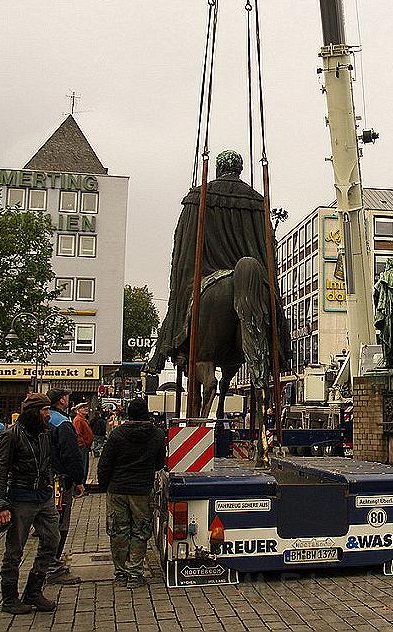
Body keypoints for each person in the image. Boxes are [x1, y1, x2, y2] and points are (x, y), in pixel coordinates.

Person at [149, 150, 287, 374]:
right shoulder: (257, 201)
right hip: (251, 275)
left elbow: (184, 249)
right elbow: (267, 249)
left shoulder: (198, 197)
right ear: (240, 170)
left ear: (218, 168)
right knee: (270, 302)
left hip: (205, 274)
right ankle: (277, 350)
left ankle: (170, 348)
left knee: (181, 299)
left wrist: (180, 287)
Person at [0, 393, 60, 615]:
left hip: (43, 496)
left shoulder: (44, 433)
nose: (48, 415)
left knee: (52, 540)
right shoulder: (10, 435)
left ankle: (33, 591)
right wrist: (1, 503)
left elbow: (46, 461)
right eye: (44, 411)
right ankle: (9, 598)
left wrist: (49, 483)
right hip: (21, 498)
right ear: (33, 412)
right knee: (15, 550)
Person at [97, 398, 165, 588]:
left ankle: (120, 573)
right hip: (142, 490)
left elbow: (105, 463)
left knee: (119, 531)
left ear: (129, 413)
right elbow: (160, 463)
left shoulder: (117, 434)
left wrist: (104, 485)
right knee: (140, 530)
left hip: (117, 489)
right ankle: (135, 573)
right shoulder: (157, 434)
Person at [45, 388, 85, 585]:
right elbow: (71, 455)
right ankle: (52, 567)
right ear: (61, 400)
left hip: (41, 480)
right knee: (60, 522)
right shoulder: (63, 423)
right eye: (67, 397)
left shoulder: (42, 419)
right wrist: (78, 481)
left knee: (48, 522)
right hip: (60, 482)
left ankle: (47, 564)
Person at [373, 258, 393, 368]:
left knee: (386, 335)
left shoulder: (385, 276)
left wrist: (378, 306)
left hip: (387, 310)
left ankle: (388, 360)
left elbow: (376, 292)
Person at [72, 403, 94, 484]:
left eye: (86, 407)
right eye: (83, 407)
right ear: (78, 410)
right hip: (82, 447)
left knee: (85, 466)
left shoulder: (82, 419)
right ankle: (80, 486)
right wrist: (83, 444)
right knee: (82, 466)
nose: (86, 409)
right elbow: (77, 434)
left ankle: (83, 485)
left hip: (84, 446)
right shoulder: (78, 420)